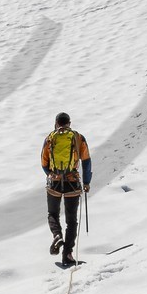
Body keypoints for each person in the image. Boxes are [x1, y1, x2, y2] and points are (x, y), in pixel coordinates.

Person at [40, 111, 91, 266]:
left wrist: (51, 174)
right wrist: (87, 182)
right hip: (72, 183)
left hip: (54, 183)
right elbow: (86, 162)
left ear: (56, 123)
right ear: (69, 123)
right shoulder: (78, 137)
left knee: (53, 214)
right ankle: (67, 253)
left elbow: (44, 162)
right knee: (72, 220)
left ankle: (57, 235)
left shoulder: (50, 138)